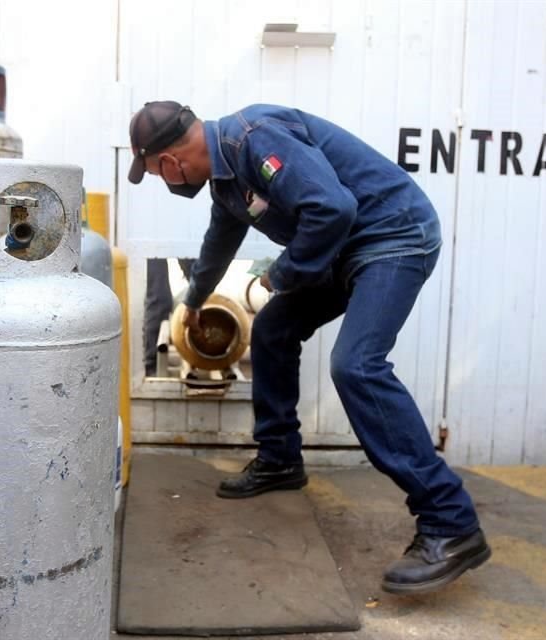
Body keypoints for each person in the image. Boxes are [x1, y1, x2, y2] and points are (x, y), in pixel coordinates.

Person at [127, 101, 490, 595]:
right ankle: (280, 459)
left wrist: (280, 274)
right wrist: (193, 299)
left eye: (153, 172)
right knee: (275, 329)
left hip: (393, 233)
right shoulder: (227, 178)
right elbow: (221, 238)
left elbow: (332, 207)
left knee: (356, 366)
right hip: (345, 247)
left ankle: (451, 523)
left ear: (168, 161)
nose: (164, 180)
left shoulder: (254, 139)